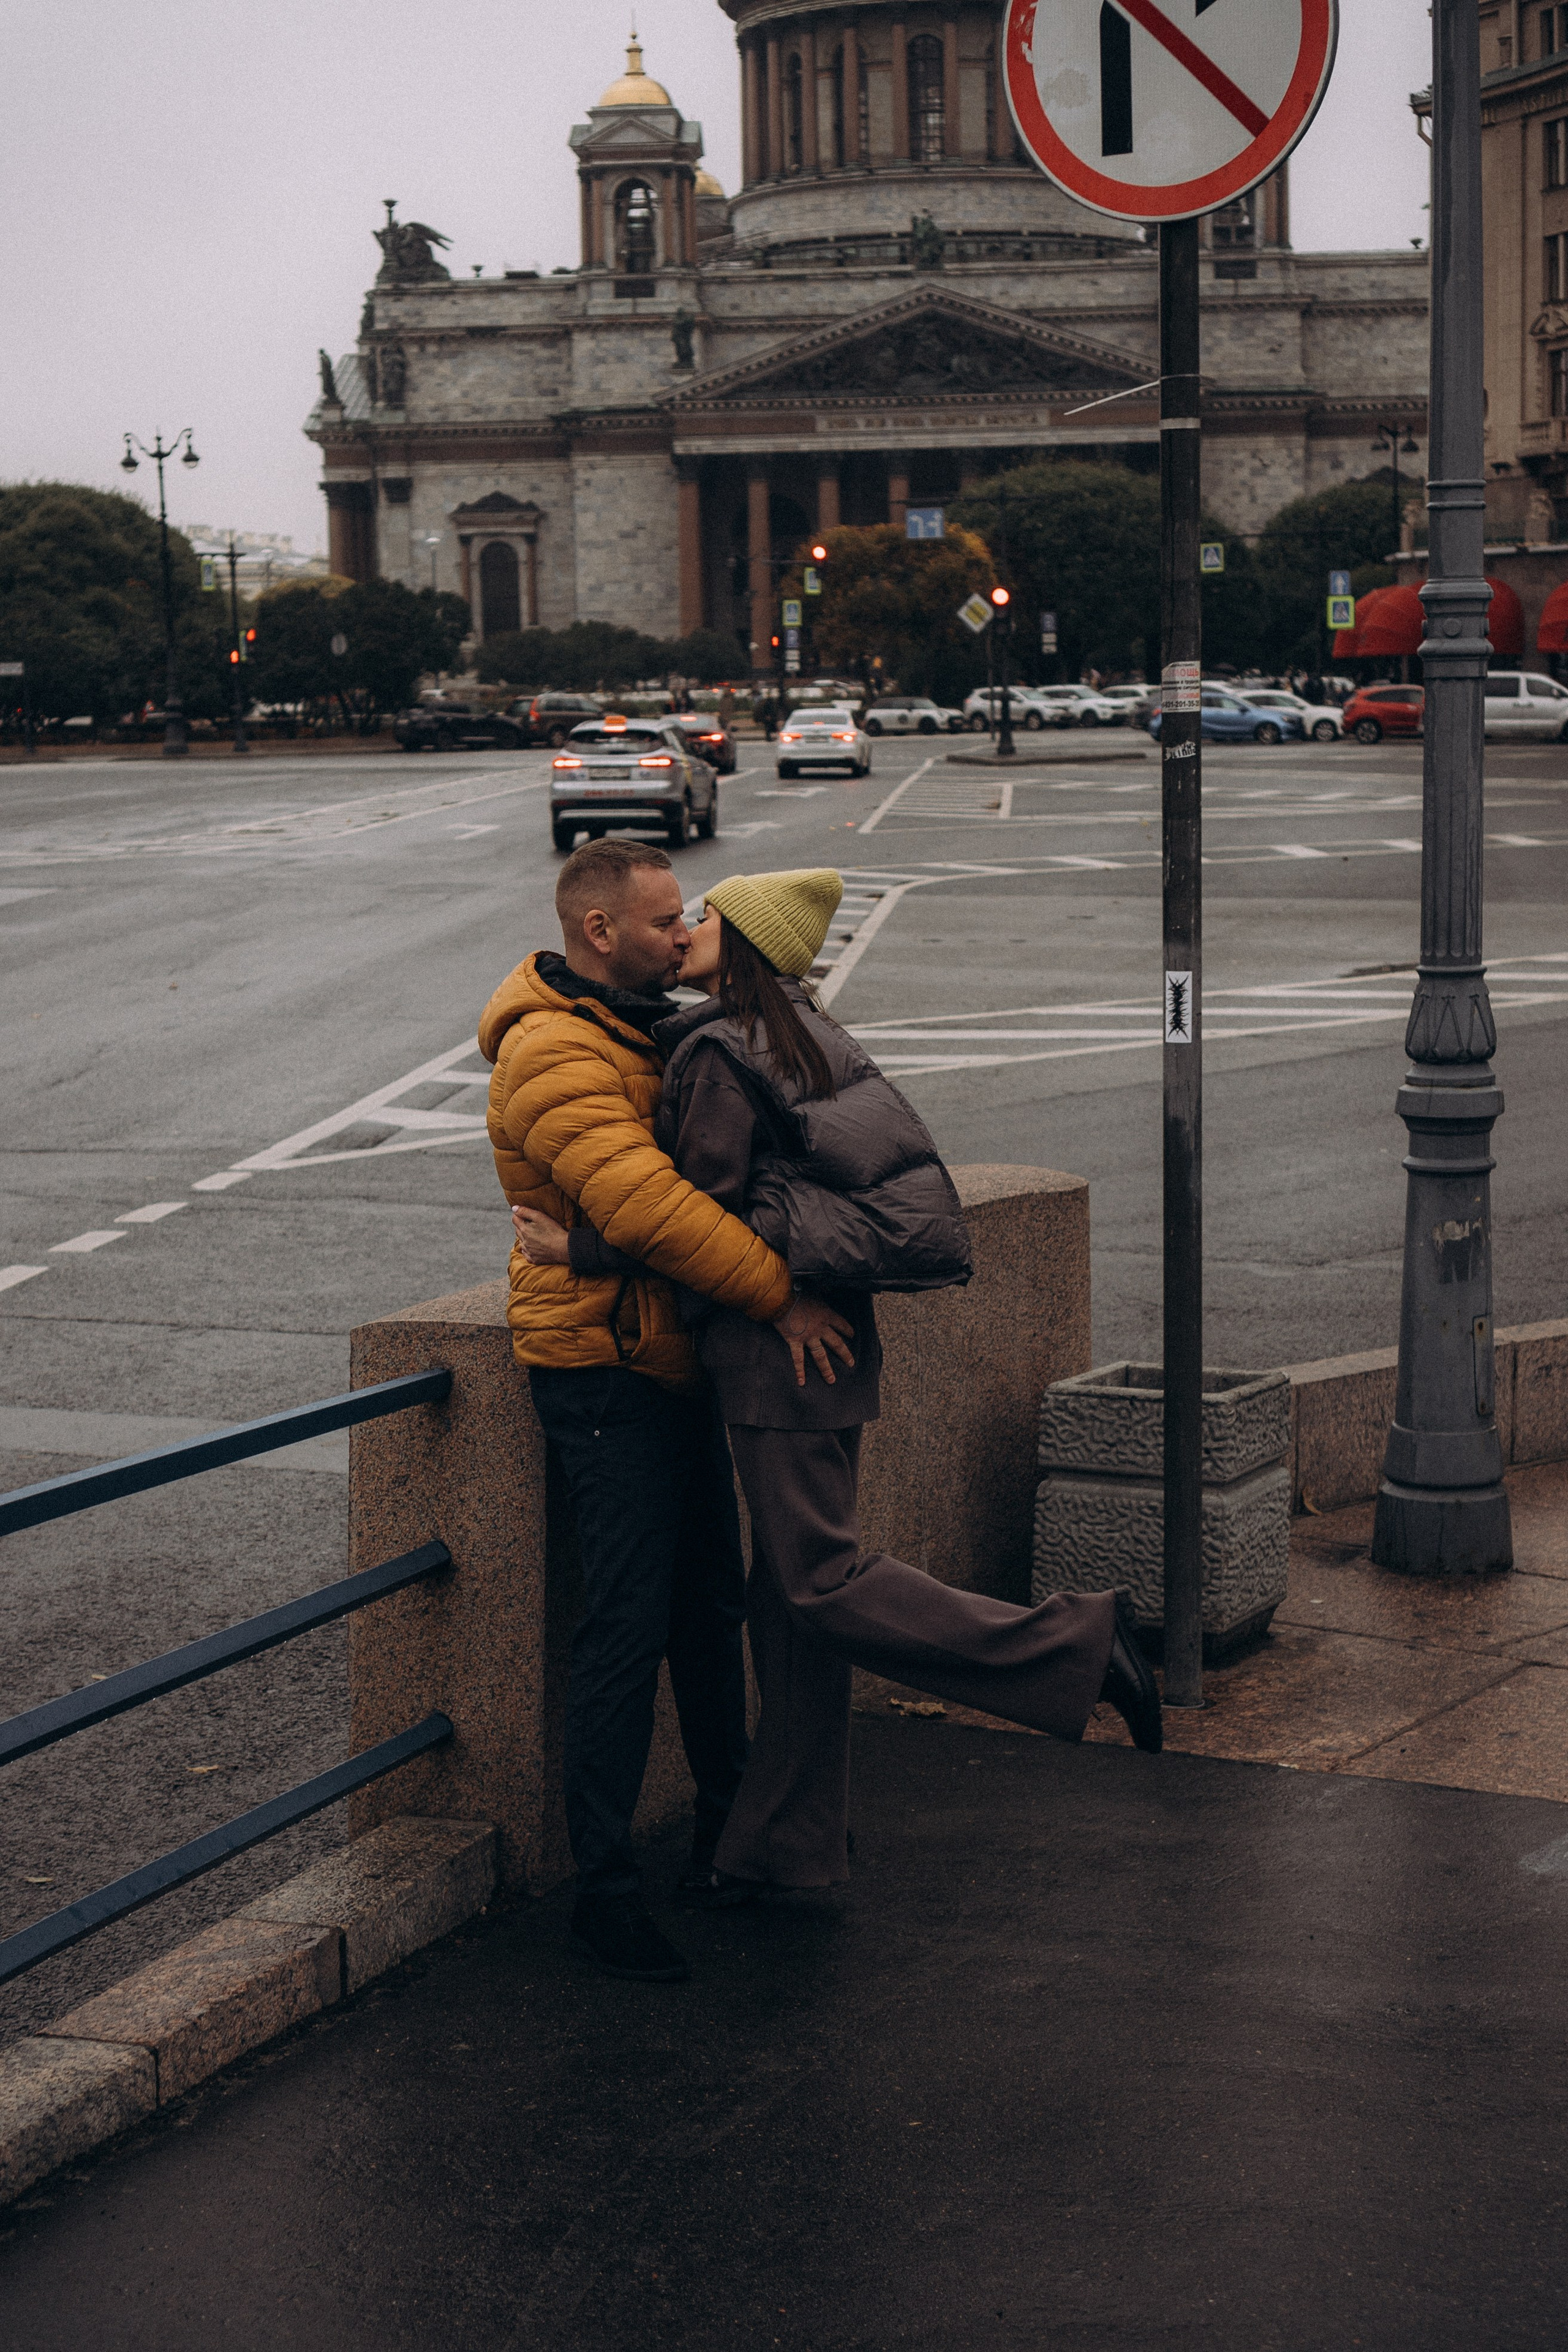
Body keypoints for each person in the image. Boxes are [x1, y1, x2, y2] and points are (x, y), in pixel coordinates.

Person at [516, 867, 1161, 1905]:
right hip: (835, 1344)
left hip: (782, 1358)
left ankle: (1080, 1647)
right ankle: (787, 1846)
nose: (686, 931)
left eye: (706, 917)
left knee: (817, 1583)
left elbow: (701, 1226)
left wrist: (582, 1252)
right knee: (787, 1612)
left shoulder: (722, 1053)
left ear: (751, 945)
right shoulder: (807, 1033)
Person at [478, 839, 853, 1981]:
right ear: (601, 933)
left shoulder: (639, 1024)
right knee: (627, 1629)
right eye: (661, 921)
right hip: (602, 1374)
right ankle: (605, 1893)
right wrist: (781, 1298)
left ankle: (727, 1842)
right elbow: (652, 1209)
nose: (679, 932)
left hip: (669, 1353)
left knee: (707, 1615)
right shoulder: (550, 1049)